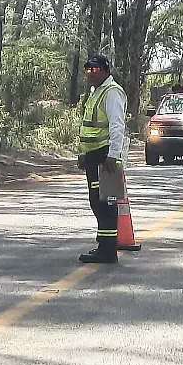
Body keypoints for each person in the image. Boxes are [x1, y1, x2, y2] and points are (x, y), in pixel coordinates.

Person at [77, 55, 127, 264]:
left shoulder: (112, 92)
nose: (91, 74)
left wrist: (113, 155)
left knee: (105, 202)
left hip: (105, 155)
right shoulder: (95, 92)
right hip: (94, 155)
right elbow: (89, 127)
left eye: (95, 70)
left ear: (106, 71)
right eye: (88, 70)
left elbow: (117, 125)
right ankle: (104, 244)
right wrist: (82, 153)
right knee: (97, 200)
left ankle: (108, 250)